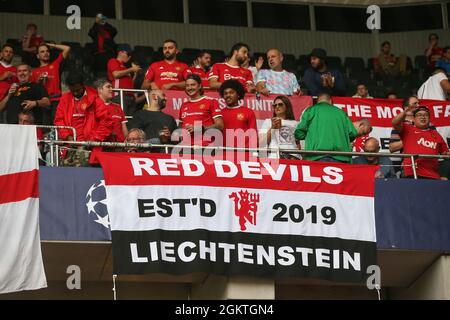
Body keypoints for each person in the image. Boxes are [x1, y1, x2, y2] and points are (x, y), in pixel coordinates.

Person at [54, 73, 112, 166]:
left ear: (82, 85)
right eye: (73, 91)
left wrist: (93, 140)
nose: (75, 93)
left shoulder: (94, 98)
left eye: (77, 90)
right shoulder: (65, 99)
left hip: (89, 146)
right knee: (65, 173)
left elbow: (107, 121)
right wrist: (68, 137)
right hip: (70, 145)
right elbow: (59, 121)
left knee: (82, 173)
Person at [294, 93, 369, 163]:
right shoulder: (341, 113)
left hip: (316, 157)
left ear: (317, 101)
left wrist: (311, 135)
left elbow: (298, 133)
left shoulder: (310, 110)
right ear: (331, 101)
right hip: (340, 158)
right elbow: (352, 133)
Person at [392, 105, 449, 179]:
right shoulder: (408, 129)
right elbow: (395, 123)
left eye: (426, 115)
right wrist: (405, 112)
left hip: (433, 175)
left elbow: (445, 153)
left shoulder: (436, 134)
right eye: (419, 115)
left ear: (429, 119)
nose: (423, 117)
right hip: (412, 172)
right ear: (413, 119)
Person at [178, 74, 223, 146]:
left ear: (199, 86)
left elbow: (220, 126)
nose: (189, 88)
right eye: (187, 85)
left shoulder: (211, 101)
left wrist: (200, 128)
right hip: (186, 147)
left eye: (193, 85)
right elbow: (180, 128)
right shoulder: (184, 105)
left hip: (205, 147)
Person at [31, 42, 71, 124]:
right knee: (44, 128)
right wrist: (39, 81)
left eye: (47, 51)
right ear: (38, 56)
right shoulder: (34, 72)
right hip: (42, 103)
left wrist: (53, 46)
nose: (45, 53)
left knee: (57, 125)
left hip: (56, 100)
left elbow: (67, 48)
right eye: (42, 52)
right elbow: (33, 91)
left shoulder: (55, 65)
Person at [219, 79, 257, 149]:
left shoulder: (248, 112)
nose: (228, 95)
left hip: (244, 152)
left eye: (231, 92)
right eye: (225, 93)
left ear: (238, 94)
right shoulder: (219, 113)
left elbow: (253, 135)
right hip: (224, 153)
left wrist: (252, 152)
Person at [107, 44, 141, 116]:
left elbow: (130, 83)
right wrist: (131, 69)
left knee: (130, 120)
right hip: (119, 96)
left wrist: (135, 74)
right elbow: (116, 74)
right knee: (121, 120)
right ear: (120, 52)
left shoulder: (125, 68)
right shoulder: (113, 61)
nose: (129, 57)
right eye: (127, 54)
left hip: (130, 97)